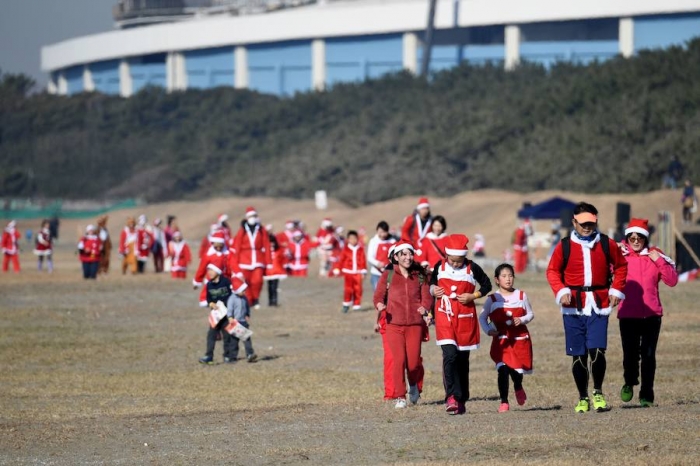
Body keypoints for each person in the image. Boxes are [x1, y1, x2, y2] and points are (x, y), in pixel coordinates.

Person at [546, 202, 628, 413]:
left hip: (599, 303)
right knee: (579, 354)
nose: (587, 227)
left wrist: (616, 290)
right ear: (574, 222)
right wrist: (561, 290)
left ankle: (598, 393)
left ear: (596, 221)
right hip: (572, 305)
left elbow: (621, 266)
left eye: (591, 223)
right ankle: (583, 397)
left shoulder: (606, 243)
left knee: (597, 349)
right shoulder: (564, 245)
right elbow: (552, 272)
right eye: (582, 223)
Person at [617, 218, 678, 407]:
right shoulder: (620, 256)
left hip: (652, 315)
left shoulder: (655, 255)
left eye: (640, 237)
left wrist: (658, 260)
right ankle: (629, 381)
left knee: (649, 356)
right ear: (627, 238)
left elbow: (672, 280)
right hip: (627, 315)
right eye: (632, 237)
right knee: (630, 355)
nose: (636, 241)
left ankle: (646, 395)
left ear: (645, 238)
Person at [431, 234, 492, 415]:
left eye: (459, 261)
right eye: (453, 261)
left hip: (465, 318)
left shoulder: (473, 268)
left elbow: (487, 285)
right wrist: (432, 289)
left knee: (462, 360)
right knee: (449, 356)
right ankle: (451, 397)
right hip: (444, 316)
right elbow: (430, 284)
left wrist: (473, 296)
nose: (456, 264)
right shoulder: (439, 267)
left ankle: (462, 397)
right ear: (447, 256)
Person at [373, 241, 433, 409]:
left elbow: (427, 296)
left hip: (415, 324)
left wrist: (425, 307)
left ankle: (413, 385)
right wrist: (379, 305)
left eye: (410, 254)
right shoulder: (389, 274)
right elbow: (378, 295)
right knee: (398, 360)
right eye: (404, 254)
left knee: (413, 363)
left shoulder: (419, 274)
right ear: (396, 257)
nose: (408, 257)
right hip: (394, 324)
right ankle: (400, 396)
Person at [479, 263, 533, 413]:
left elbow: (530, 314)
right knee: (502, 370)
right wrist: (489, 331)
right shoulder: (493, 299)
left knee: (516, 371)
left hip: (519, 340)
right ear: (497, 280)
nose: (508, 279)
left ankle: (518, 386)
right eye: (504, 276)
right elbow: (482, 318)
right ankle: (504, 401)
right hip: (501, 341)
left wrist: (521, 320)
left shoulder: (522, 295)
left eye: (510, 276)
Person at [232, 207, 272, 310]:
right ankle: (249, 300)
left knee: (258, 281)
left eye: (254, 216)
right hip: (244, 259)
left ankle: (256, 298)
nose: (252, 218)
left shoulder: (261, 229)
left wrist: (269, 261)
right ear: (247, 217)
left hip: (258, 259)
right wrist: (235, 262)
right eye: (250, 216)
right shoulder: (242, 230)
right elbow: (237, 246)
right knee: (246, 282)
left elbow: (266, 245)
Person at [198, 264, 237, 365]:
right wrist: (211, 304)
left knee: (227, 336)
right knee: (211, 335)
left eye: (212, 270)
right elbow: (209, 299)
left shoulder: (226, 282)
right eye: (208, 270)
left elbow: (233, 295)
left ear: (218, 271)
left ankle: (227, 356)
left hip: (227, 315)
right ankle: (209, 356)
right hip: (216, 315)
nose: (209, 272)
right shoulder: (209, 285)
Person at [193, 231, 230, 307]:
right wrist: (197, 281)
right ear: (213, 244)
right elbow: (201, 269)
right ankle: (205, 301)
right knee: (208, 290)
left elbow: (231, 267)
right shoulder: (208, 255)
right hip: (211, 278)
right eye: (216, 246)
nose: (219, 248)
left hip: (224, 278)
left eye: (221, 246)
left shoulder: (227, 255)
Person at [334, 230, 368, 312]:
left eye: (355, 238)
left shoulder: (360, 249)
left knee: (358, 289)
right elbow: (341, 260)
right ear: (348, 240)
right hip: (348, 272)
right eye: (351, 239)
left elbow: (363, 260)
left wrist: (363, 270)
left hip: (358, 272)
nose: (353, 240)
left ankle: (356, 305)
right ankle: (346, 304)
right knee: (348, 289)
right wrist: (337, 268)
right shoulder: (345, 249)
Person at [367, 221, 396, 291]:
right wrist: (377, 264)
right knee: (378, 294)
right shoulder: (373, 241)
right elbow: (369, 257)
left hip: (390, 273)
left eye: (384, 232)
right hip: (376, 273)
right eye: (380, 232)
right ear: (377, 231)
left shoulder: (392, 241)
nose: (382, 234)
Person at [264, 225, 287, 307]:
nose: (271, 245)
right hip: (268, 272)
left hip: (276, 271)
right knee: (269, 286)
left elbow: (282, 260)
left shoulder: (278, 251)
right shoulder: (265, 252)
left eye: (272, 243)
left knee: (275, 287)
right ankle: (270, 301)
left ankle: (275, 301)